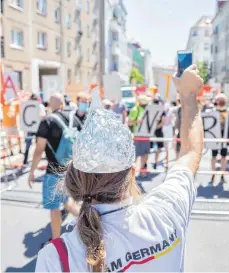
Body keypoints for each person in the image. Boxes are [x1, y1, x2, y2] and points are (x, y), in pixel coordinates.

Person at [35, 65, 204, 272]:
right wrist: (188, 95)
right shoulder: (165, 214)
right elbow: (190, 152)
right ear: (131, 174)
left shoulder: (57, 258)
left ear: (76, 178)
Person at [28, 93, 79, 240]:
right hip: (71, 169)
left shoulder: (47, 122)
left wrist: (32, 171)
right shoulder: (73, 119)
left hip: (53, 171)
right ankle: (91, 225)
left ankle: (56, 240)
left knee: (54, 207)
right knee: (68, 202)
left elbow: (39, 150)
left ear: (50, 104)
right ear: (63, 104)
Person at [128, 95, 151, 175]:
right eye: (145, 101)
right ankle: (132, 173)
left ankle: (141, 171)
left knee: (146, 154)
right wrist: (137, 122)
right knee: (136, 155)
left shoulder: (148, 110)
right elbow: (129, 122)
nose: (147, 102)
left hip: (146, 134)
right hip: (138, 135)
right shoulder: (135, 110)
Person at [23, 94, 46, 166]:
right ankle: (25, 160)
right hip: (31, 128)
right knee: (28, 144)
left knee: (39, 144)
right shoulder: (28, 106)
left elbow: (42, 116)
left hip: (38, 127)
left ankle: (38, 160)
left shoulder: (40, 106)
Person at [211, 93, 228, 184]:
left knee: (223, 157)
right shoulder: (212, 112)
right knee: (214, 156)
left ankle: (221, 174)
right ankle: (213, 174)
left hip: (223, 137)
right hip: (214, 137)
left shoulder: (227, 112)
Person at [153, 97, 166, 169]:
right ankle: (155, 162)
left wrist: (154, 128)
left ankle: (155, 162)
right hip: (157, 132)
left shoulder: (151, 111)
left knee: (156, 148)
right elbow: (163, 122)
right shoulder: (161, 111)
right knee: (157, 148)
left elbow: (163, 122)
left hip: (154, 132)